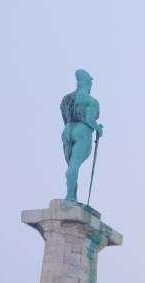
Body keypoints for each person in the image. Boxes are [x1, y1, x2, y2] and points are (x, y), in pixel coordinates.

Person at [60, 69, 104, 203]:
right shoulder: (91, 101)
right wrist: (98, 129)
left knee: (71, 166)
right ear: (88, 84)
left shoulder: (67, 99)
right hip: (82, 131)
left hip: (67, 130)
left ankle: (72, 194)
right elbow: (89, 118)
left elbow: (65, 117)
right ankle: (70, 197)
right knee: (74, 166)